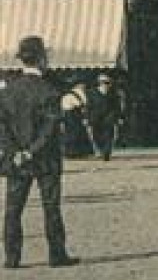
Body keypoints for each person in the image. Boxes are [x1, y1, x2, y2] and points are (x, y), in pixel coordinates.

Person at [0, 37, 75, 268]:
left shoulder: (7, 91)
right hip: (46, 158)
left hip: (15, 157)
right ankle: (56, 254)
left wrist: (16, 151)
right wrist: (31, 151)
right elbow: (50, 128)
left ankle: (12, 258)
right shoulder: (49, 90)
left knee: (13, 208)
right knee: (50, 206)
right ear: (41, 58)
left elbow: (2, 126)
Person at [85, 74, 121, 161]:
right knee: (97, 136)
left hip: (109, 118)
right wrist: (86, 118)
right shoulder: (91, 93)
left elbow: (117, 107)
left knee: (109, 136)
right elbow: (88, 106)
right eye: (104, 82)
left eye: (108, 82)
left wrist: (119, 117)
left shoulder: (113, 93)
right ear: (99, 83)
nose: (106, 85)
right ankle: (101, 150)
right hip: (95, 118)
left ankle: (106, 153)